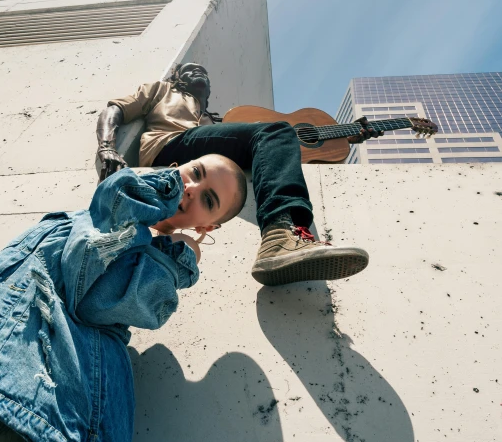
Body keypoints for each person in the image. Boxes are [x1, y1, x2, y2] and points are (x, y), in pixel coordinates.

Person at [0, 155, 246, 442]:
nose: (190, 190)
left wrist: (177, 247)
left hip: (44, 417)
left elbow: (97, 295)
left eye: (208, 199)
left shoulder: (160, 255)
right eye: (194, 174)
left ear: (207, 227)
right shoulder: (94, 210)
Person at [97, 63, 381, 286]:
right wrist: (107, 147)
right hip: (170, 146)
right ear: (177, 76)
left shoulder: (215, 120)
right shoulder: (162, 90)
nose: (200, 74)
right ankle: (280, 231)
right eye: (191, 69)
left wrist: (347, 135)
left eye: (204, 72)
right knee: (275, 130)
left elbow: (279, 147)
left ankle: (282, 237)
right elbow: (116, 108)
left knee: (276, 134)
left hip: (205, 156)